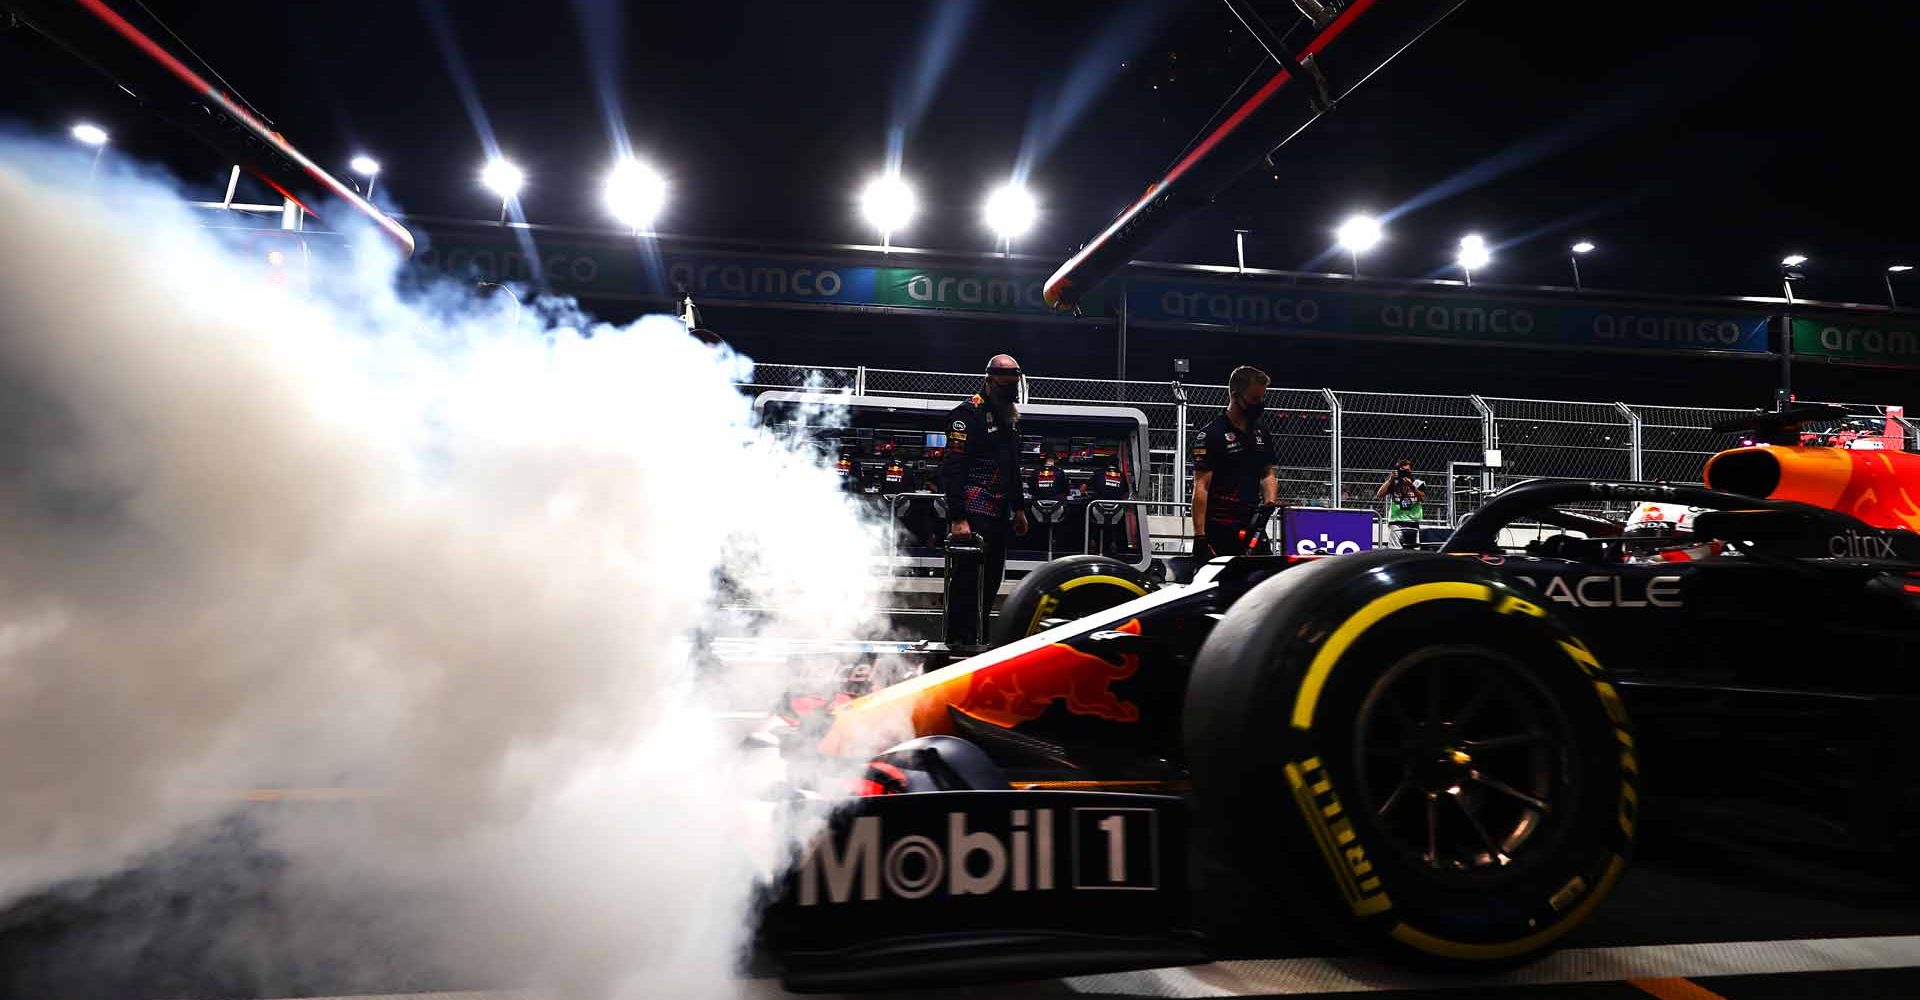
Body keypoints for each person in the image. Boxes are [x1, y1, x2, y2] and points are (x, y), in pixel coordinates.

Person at [940, 355, 1032, 645]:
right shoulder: (967, 415)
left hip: (999, 512)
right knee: (966, 582)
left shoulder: (1010, 418)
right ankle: (958, 643)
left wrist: (1019, 508)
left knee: (991, 582)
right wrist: (958, 517)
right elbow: (952, 468)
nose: (1010, 392)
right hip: (972, 512)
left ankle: (978, 639)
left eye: (1013, 386)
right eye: (1005, 386)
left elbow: (1012, 465)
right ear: (990, 382)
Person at [1191, 366, 1278, 558]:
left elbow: (1267, 473)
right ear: (1235, 396)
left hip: (1253, 525)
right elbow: (1201, 486)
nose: (1260, 403)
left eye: (1262, 398)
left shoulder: (1261, 432)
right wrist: (1199, 537)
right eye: (1255, 399)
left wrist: (1270, 501)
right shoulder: (1211, 434)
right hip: (1220, 528)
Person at [1375, 459, 1427, 549]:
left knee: (1413, 551)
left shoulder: (1418, 483)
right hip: (1396, 521)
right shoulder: (1394, 483)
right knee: (1395, 550)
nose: (1404, 473)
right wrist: (1390, 479)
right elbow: (1379, 495)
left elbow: (1423, 498)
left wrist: (1412, 486)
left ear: (1411, 471)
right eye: (1401, 471)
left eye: (1406, 471)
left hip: (1413, 522)